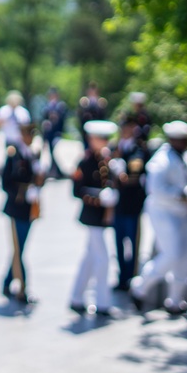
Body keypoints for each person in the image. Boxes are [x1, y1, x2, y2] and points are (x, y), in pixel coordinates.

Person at [130, 121, 187, 315]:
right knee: (172, 254)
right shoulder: (161, 161)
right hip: (164, 212)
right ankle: (140, 287)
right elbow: (155, 189)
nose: (183, 142)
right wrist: (181, 194)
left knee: (185, 254)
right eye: (180, 139)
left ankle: (176, 301)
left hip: (183, 212)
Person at [69, 120, 119, 316]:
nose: (104, 142)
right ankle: (103, 303)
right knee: (102, 259)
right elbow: (76, 190)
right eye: (101, 139)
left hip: (102, 216)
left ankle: (77, 297)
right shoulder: (85, 161)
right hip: (91, 215)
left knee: (90, 258)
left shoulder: (107, 160)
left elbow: (111, 182)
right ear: (91, 139)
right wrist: (98, 196)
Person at [0, 122, 42, 303]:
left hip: (29, 208)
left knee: (20, 248)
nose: (30, 137)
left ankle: (7, 282)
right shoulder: (14, 154)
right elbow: (6, 182)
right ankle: (22, 289)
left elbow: (37, 179)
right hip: (16, 207)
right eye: (27, 133)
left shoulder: (34, 154)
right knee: (18, 250)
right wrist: (24, 192)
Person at [110, 117, 149, 291]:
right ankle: (121, 277)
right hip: (118, 203)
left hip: (132, 202)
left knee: (132, 242)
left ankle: (131, 277)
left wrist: (121, 169)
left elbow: (134, 173)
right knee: (118, 242)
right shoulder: (116, 147)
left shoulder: (137, 149)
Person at [41, 87, 68, 178]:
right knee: (51, 152)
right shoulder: (46, 106)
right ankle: (55, 170)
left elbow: (63, 119)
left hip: (57, 132)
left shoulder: (60, 106)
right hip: (48, 133)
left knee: (55, 152)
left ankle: (57, 170)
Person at [77, 82, 107, 149]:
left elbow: (102, 116)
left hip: (97, 129)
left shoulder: (100, 103)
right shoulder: (84, 102)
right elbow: (80, 116)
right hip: (87, 130)